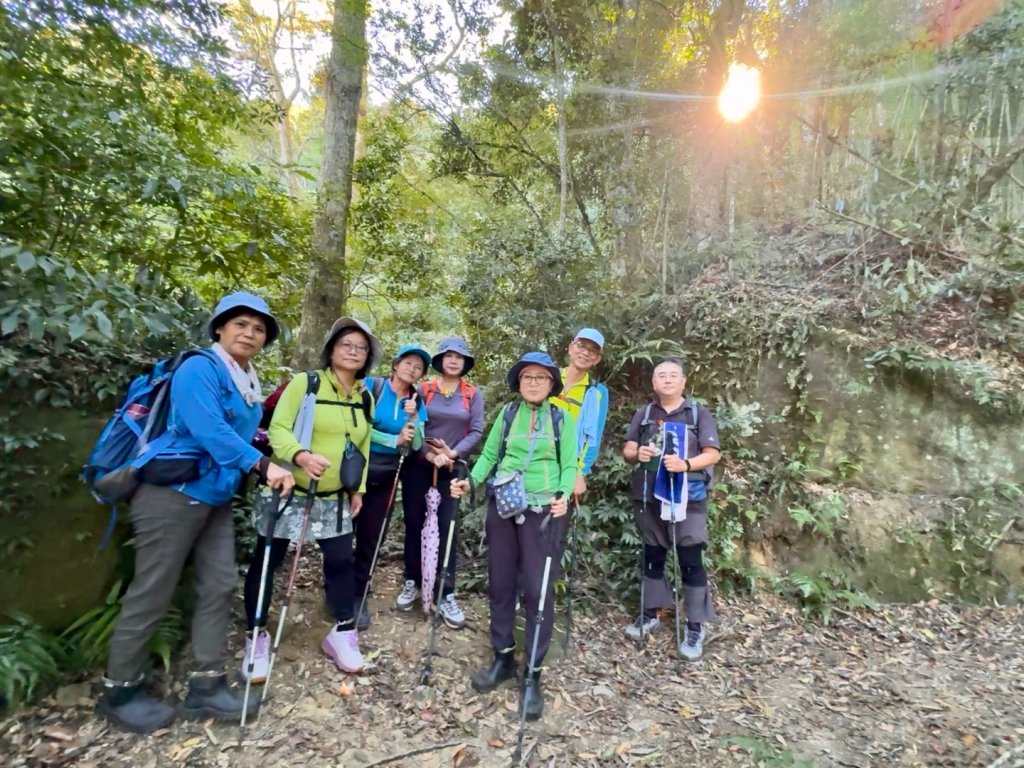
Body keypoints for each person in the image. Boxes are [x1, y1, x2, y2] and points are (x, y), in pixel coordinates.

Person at [98, 292, 294, 734]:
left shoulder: (245, 378)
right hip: (173, 493)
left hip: (216, 497)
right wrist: (262, 465)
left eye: (259, 328)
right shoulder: (199, 367)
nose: (250, 333)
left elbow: (245, 433)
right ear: (219, 328)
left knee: (221, 584)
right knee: (152, 589)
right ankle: (120, 690)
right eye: (240, 323)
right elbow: (209, 429)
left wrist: (278, 456)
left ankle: (206, 684)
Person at [241, 317, 379, 677]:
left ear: (368, 357)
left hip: (334, 496)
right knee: (268, 561)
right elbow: (278, 428)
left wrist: (358, 488)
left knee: (340, 562)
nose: (353, 351)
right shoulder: (307, 383)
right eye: (346, 344)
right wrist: (301, 456)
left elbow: (361, 446)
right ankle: (255, 635)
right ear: (331, 349)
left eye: (361, 347)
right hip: (289, 488)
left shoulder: (365, 396)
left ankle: (342, 631)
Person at [451, 351, 577, 721]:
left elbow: (569, 463)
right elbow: (490, 457)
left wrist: (564, 494)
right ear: (519, 383)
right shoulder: (507, 416)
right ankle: (503, 656)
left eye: (541, 377)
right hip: (503, 508)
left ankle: (533, 673)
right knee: (502, 583)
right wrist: (469, 481)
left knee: (538, 592)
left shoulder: (561, 419)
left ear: (552, 384)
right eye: (527, 377)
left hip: (544, 513)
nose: (534, 382)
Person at [621, 357, 721, 661]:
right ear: (653, 383)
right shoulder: (645, 414)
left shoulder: (697, 414)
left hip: (687, 496)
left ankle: (695, 624)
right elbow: (627, 449)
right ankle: (651, 612)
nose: (666, 380)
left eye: (673, 375)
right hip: (649, 495)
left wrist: (685, 464)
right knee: (653, 554)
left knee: (690, 558)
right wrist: (637, 452)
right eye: (661, 375)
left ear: (683, 382)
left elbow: (712, 454)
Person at [398, 337, 485, 628]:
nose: (453, 360)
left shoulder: (473, 394)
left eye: (459, 357)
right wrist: (429, 453)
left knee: (448, 527)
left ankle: (445, 592)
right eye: (448, 355)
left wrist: (453, 453)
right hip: (419, 464)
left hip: (453, 467)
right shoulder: (424, 389)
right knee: (414, 522)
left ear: (465, 363)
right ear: (440, 360)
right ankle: (412, 580)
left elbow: (476, 430)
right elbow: (413, 425)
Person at [352, 344, 430, 629]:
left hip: (387, 473)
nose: (412, 369)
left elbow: (418, 444)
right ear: (396, 365)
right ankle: (336, 585)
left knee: (373, 535)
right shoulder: (372, 387)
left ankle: (358, 593)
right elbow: (354, 427)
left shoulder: (416, 400)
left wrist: (412, 417)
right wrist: (390, 440)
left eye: (418, 367)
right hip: (355, 467)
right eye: (408, 362)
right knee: (344, 529)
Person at [550, 328, 609, 498]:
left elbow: (594, 437)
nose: (585, 353)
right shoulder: (549, 377)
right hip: (535, 459)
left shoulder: (597, 391)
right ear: (570, 347)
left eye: (592, 350)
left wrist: (580, 471)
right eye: (581, 345)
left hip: (568, 466)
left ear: (597, 359)